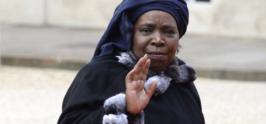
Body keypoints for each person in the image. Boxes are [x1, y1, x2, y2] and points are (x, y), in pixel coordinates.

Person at [58, 0, 205, 123]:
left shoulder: (181, 80)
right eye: (147, 30)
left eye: (169, 32)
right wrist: (125, 110)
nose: (158, 40)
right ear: (129, 35)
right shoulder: (98, 74)